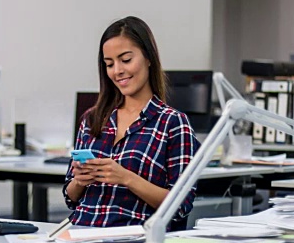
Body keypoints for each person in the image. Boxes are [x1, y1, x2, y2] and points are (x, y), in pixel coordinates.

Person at [63, 16, 200, 230]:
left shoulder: (172, 123)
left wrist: (126, 178)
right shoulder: (92, 119)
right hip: (79, 233)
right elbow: (70, 198)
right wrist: (79, 181)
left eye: (125, 60)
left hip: (131, 239)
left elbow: (180, 205)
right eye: (109, 64)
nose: (117, 70)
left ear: (148, 58)